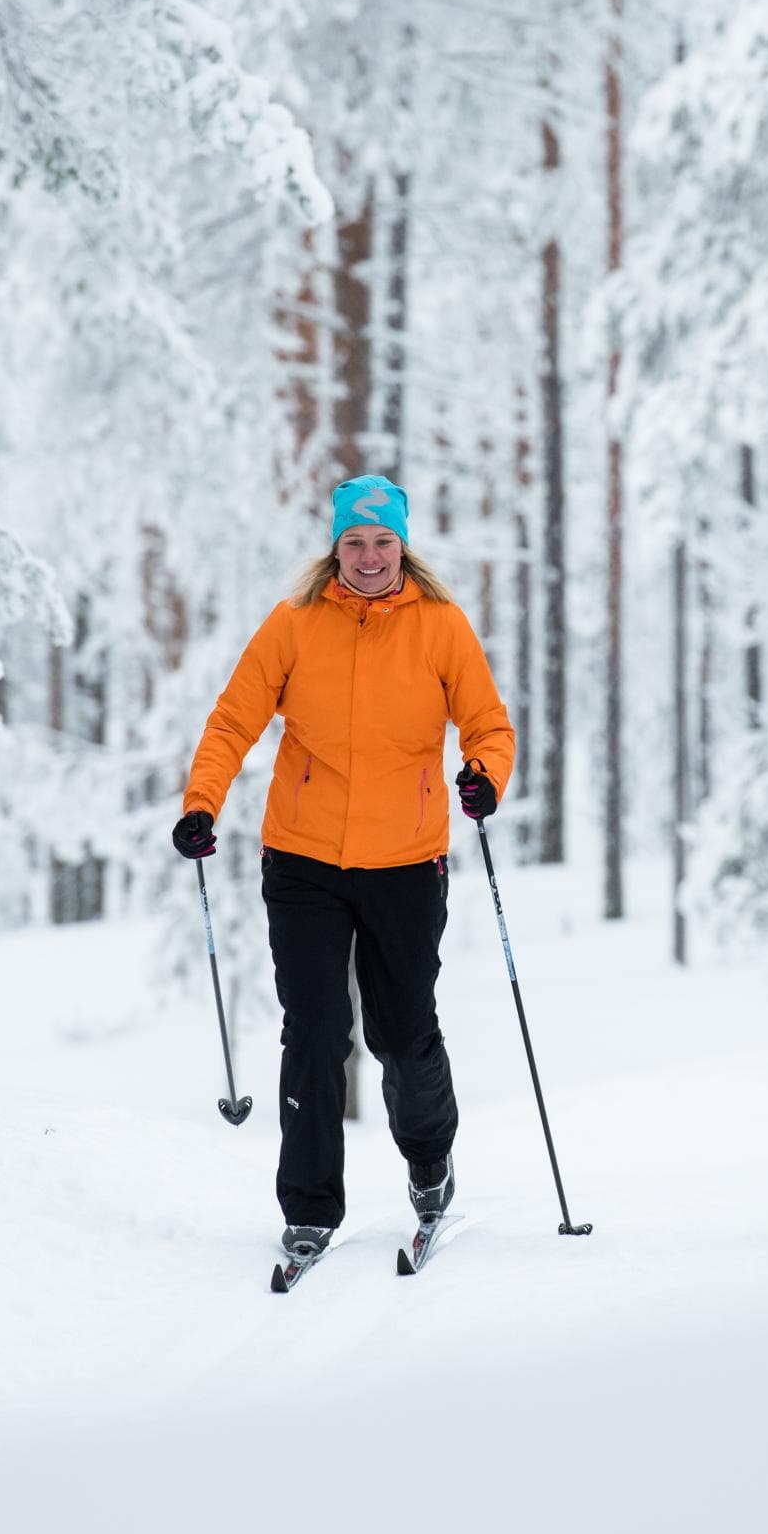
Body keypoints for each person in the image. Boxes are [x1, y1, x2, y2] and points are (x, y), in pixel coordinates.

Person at [172, 475, 514, 1269]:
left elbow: (488, 725)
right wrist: (202, 803)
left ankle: (429, 1163)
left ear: (403, 546)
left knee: (402, 1030)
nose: (368, 557)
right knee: (316, 1030)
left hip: (406, 862)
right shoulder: (294, 624)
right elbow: (232, 720)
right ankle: (309, 1207)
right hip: (304, 861)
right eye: (354, 542)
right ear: (334, 547)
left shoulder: (440, 626)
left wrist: (484, 777)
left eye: (383, 542)